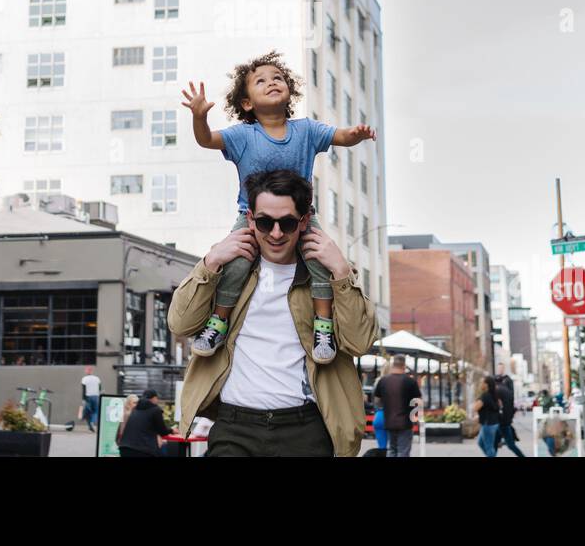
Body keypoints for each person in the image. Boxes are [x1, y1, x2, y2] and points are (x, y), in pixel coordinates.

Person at [181, 52, 376, 364]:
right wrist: (199, 117)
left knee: (320, 262)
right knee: (237, 264)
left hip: (301, 218)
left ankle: (322, 326)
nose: (272, 82)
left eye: (277, 78)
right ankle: (218, 321)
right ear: (246, 103)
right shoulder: (242, 136)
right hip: (251, 217)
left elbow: (341, 136)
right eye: (261, 81)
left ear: (289, 90)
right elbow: (206, 141)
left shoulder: (307, 131)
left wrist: (356, 135)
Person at [168, 168, 378, 456]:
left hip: (305, 430)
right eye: (265, 222)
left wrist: (341, 271)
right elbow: (179, 324)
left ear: (304, 221)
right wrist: (211, 261)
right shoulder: (228, 271)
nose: (276, 234)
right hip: (234, 427)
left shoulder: (326, 280)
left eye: (287, 223)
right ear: (251, 219)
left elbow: (360, 342)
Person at [373, 355, 422, 458]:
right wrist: (416, 418)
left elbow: (377, 401)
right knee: (403, 451)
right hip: (405, 423)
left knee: (392, 449)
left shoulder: (383, 381)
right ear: (404, 366)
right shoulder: (410, 382)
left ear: (393, 365)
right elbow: (417, 402)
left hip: (389, 422)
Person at [117, 390, 169, 457]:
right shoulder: (155, 410)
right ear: (154, 398)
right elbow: (162, 431)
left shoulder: (135, 411)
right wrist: (171, 430)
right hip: (143, 451)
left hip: (125, 449)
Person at [494, 373, 526, 457]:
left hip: (501, 421)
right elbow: (511, 406)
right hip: (506, 420)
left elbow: (498, 406)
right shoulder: (507, 390)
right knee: (496, 443)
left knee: (510, 444)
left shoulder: (497, 391)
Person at [473, 375, 501, 457]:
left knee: (489, 447)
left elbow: (475, 407)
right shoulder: (494, 395)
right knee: (480, 443)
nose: (480, 384)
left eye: (482, 382)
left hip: (488, 425)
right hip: (493, 423)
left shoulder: (485, 396)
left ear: (486, 385)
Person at [80, 365, 101, 433]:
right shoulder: (97, 378)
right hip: (96, 396)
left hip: (88, 397)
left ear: (87, 371)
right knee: (95, 411)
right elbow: (100, 388)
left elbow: (84, 390)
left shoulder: (84, 379)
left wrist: (83, 399)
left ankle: (90, 423)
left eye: (86, 370)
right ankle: (92, 423)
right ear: (92, 371)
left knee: (88, 412)